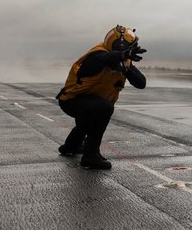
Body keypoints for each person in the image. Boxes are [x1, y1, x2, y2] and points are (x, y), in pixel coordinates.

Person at [56, 25, 147, 170]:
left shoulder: (124, 61)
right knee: (104, 108)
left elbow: (141, 83)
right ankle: (90, 157)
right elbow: (104, 58)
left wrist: (125, 70)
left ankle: (70, 147)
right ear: (121, 46)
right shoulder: (97, 54)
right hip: (72, 101)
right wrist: (123, 55)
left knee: (88, 120)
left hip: (88, 102)